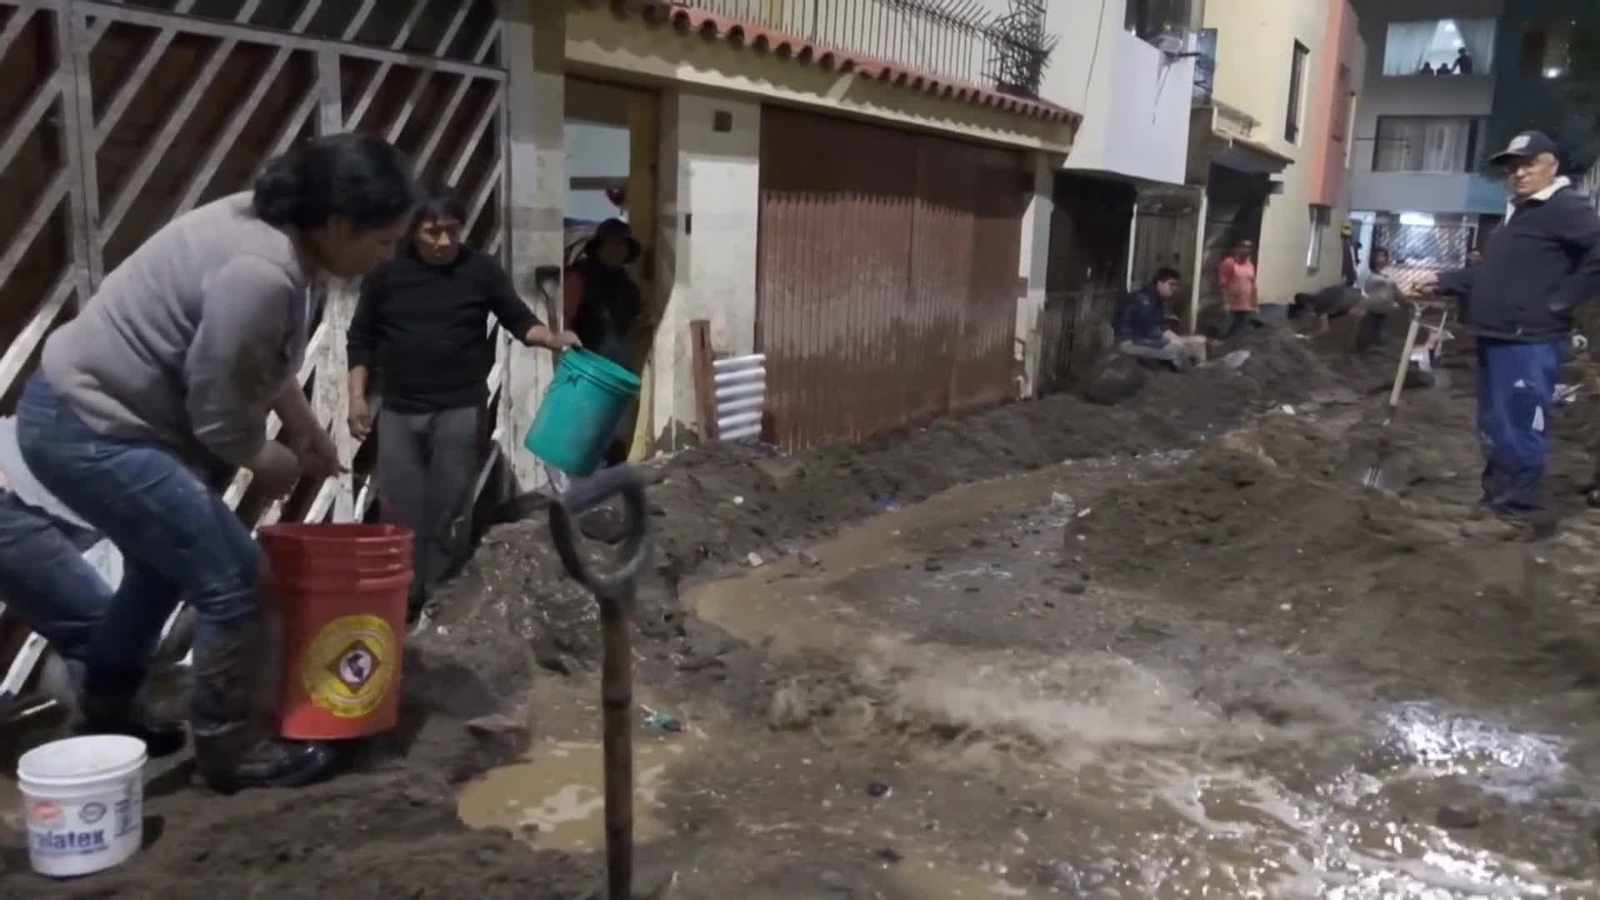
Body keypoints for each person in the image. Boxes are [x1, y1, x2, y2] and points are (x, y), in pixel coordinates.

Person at [16, 133, 417, 792]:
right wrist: (268, 458)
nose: (387, 256)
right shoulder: (260, 271)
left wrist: (305, 427)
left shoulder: (270, 232)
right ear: (339, 224)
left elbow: (258, 356)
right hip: (91, 430)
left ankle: (106, 708)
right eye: (382, 241)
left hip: (81, 414)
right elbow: (220, 414)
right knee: (234, 578)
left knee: (160, 570)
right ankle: (231, 749)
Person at [347, 185, 578, 623]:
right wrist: (357, 397)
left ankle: (440, 601)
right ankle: (402, 600)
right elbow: (360, 339)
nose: (444, 241)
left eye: (452, 230)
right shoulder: (386, 275)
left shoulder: (480, 270)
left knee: (449, 511)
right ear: (413, 231)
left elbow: (517, 318)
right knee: (400, 512)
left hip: (458, 409)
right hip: (399, 412)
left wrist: (551, 338)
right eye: (433, 232)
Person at [1418, 131, 1600, 536]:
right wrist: (1443, 280)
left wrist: (1564, 299)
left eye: (1528, 163)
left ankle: (1517, 513)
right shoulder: (1523, 213)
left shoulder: (1564, 207)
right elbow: (1495, 274)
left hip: (1529, 340)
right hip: (1499, 335)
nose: (1518, 172)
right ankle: (1496, 501)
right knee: (1494, 424)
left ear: (1552, 164)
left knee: (1519, 424)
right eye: (1513, 166)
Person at [564, 218, 647, 466]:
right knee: (583, 434)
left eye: (621, 245)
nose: (616, 250)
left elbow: (633, 326)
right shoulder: (578, 277)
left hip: (617, 370)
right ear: (599, 247)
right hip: (583, 367)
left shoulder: (628, 287)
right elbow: (564, 319)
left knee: (613, 436)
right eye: (611, 244)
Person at [1113, 268, 1207, 369]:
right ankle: (1188, 373)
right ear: (1159, 283)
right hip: (1130, 342)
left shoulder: (1157, 299)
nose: (1174, 288)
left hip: (1145, 339)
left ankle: (1202, 368)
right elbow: (1149, 330)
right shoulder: (1143, 299)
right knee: (1178, 349)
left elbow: (1162, 327)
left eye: (1176, 285)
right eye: (1171, 284)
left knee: (1199, 341)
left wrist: (1180, 340)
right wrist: (1175, 342)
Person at [1358, 247, 1400, 351]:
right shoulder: (1368, 273)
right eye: (1379, 256)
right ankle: (1365, 344)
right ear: (1373, 258)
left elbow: (1393, 289)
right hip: (1371, 308)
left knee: (1379, 326)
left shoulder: (1387, 273)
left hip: (1383, 308)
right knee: (1368, 327)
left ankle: (1376, 340)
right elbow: (1363, 289)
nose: (1382, 259)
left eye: (1384, 256)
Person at [1218, 240, 1259, 338]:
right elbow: (1222, 284)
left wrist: (1255, 303)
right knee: (1225, 329)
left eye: (1249, 248)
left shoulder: (1250, 265)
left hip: (1246, 304)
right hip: (1232, 304)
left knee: (1239, 330)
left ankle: (1232, 343)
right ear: (1236, 249)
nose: (1246, 250)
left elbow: (1253, 285)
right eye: (1243, 247)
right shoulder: (1229, 262)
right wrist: (1226, 302)